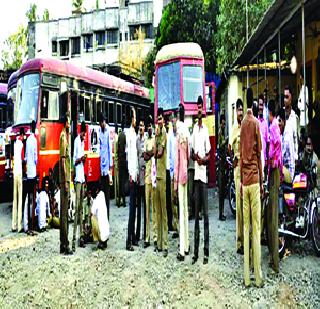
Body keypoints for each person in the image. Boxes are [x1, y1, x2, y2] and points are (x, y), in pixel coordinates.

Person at [240, 92, 263, 288]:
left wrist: (240, 183)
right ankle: (258, 277)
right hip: (255, 180)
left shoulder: (242, 125)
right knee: (256, 229)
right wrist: (262, 182)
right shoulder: (255, 124)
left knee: (246, 228)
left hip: (244, 182)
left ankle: (246, 277)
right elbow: (260, 155)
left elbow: (240, 156)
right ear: (253, 102)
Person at [191, 96, 211, 265]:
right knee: (196, 215)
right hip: (195, 177)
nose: (198, 110)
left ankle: (206, 251)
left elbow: (210, 155)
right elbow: (191, 152)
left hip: (203, 176)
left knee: (205, 215)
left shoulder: (205, 130)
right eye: (197, 107)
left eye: (200, 108)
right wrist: (195, 157)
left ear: (202, 111)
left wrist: (202, 160)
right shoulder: (193, 131)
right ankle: (196, 252)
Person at [267, 99, 282, 273]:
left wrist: (270, 158)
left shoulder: (273, 127)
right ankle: (273, 258)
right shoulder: (277, 124)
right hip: (275, 168)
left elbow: (273, 148)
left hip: (274, 170)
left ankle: (275, 262)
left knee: (272, 217)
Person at [175, 104, 190, 261]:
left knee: (181, 211)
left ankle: (182, 249)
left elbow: (178, 159)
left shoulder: (178, 133)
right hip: (186, 173)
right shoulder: (187, 131)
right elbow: (188, 154)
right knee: (185, 210)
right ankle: (187, 244)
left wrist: (175, 180)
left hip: (180, 175)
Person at [229, 98, 243, 254]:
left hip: (247, 169)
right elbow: (228, 147)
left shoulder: (246, 126)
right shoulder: (234, 129)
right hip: (237, 169)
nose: (240, 112)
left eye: (241, 109)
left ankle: (247, 239)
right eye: (238, 110)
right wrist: (233, 158)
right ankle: (240, 242)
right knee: (239, 205)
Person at [154, 110, 168, 257]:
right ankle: (158, 243)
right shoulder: (157, 134)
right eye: (157, 119)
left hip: (163, 175)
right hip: (156, 175)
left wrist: (153, 151)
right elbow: (154, 149)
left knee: (163, 212)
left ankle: (165, 244)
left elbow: (158, 152)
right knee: (157, 211)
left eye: (160, 119)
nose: (158, 122)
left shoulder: (163, 133)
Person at [59, 113, 73, 255]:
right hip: (65, 180)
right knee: (64, 214)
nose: (70, 125)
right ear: (65, 123)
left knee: (64, 212)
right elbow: (63, 161)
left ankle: (63, 244)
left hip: (65, 179)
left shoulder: (64, 136)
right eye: (68, 122)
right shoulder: (64, 137)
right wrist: (66, 180)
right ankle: (65, 244)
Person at [72, 121, 87, 251]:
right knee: (77, 208)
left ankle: (81, 236)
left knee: (81, 208)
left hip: (82, 179)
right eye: (83, 134)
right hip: (77, 179)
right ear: (80, 132)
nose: (84, 137)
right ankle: (74, 238)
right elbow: (74, 161)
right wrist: (80, 159)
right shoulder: (77, 141)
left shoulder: (82, 142)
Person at [126, 108, 138, 251]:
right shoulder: (129, 134)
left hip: (136, 175)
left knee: (134, 209)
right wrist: (130, 174)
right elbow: (129, 157)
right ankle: (128, 240)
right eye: (134, 118)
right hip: (132, 174)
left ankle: (133, 237)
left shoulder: (134, 133)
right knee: (131, 211)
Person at [144, 117, 156, 248]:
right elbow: (145, 155)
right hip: (147, 177)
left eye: (150, 126)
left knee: (155, 209)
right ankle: (147, 238)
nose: (149, 128)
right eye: (147, 126)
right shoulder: (146, 140)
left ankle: (155, 236)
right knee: (147, 208)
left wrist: (149, 153)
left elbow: (152, 153)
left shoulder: (154, 140)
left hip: (154, 177)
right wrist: (149, 153)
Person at [24, 120, 38, 232]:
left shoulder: (28, 140)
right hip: (33, 173)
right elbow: (35, 157)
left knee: (28, 198)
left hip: (28, 173)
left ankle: (28, 225)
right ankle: (32, 226)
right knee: (33, 199)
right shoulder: (34, 140)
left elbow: (26, 157)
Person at [99, 113, 112, 219]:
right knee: (102, 193)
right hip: (101, 168)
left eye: (103, 122)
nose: (102, 124)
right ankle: (103, 215)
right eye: (101, 123)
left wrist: (110, 168)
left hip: (107, 168)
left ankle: (107, 216)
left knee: (107, 194)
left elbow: (109, 149)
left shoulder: (108, 132)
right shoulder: (99, 132)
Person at [12, 127, 25, 233]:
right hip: (19, 172)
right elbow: (22, 159)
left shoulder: (15, 144)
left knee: (14, 199)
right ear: (21, 135)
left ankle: (13, 224)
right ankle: (19, 226)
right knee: (20, 198)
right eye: (23, 135)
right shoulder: (21, 145)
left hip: (14, 172)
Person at [169, 112, 179, 238]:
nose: (173, 123)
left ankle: (181, 227)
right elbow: (170, 156)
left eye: (174, 120)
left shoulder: (181, 134)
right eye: (172, 121)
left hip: (180, 173)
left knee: (180, 200)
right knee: (173, 200)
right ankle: (176, 227)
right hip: (172, 173)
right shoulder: (170, 136)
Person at [278, 108, 295, 183]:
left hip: (288, 171)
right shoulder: (282, 132)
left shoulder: (287, 136)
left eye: (280, 121)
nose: (278, 125)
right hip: (285, 169)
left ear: (283, 121)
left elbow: (281, 155)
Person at [136, 120, 146, 243]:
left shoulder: (147, 139)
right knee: (139, 208)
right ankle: (138, 234)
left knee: (145, 208)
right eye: (140, 125)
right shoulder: (137, 140)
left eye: (142, 126)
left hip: (147, 175)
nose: (141, 127)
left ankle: (145, 234)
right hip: (139, 176)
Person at [284, 85, 299, 162]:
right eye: (284, 97)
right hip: (282, 157)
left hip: (292, 159)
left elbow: (296, 138)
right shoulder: (280, 115)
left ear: (291, 98)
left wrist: (296, 156)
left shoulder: (294, 117)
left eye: (287, 97)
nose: (285, 100)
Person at [218, 114, 227, 221]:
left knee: (223, 191)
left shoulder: (223, 131)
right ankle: (221, 213)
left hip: (223, 164)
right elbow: (220, 145)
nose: (224, 125)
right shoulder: (220, 132)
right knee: (221, 191)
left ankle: (222, 212)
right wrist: (225, 141)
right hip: (220, 165)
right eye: (223, 123)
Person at [118, 120, 127, 207]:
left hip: (120, 160)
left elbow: (118, 148)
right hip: (124, 160)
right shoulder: (125, 136)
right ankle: (124, 201)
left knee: (120, 181)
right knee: (124, 181)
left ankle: (119, 200)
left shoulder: (119, 136)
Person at [114, 124, 120, 207]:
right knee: (117, 182)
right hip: (117, 162)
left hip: (115, 161)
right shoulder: (117, 138)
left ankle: (117, 199)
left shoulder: (115, 137)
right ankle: (118, 199)